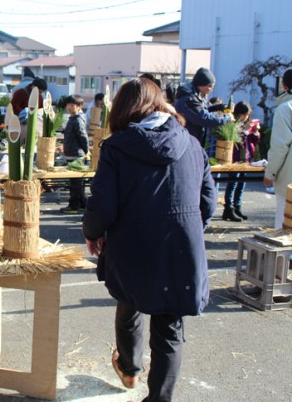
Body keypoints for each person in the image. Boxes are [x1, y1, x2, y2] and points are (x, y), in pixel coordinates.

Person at [82, 77, 217, 402]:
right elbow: (208, 202)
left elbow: (102, 205)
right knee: (169, 329)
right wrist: (189, 232)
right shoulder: (192, 144)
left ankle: (129, 369)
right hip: (180, 252)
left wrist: (92, 233)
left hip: (133, 250)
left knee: (130, 303)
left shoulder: (117, 147)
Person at [174, 67, 233, 147]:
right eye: (210, 86)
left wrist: (220, 107)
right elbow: (204, 117)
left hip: (191, 142)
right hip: (185, 144)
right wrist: (226, 116)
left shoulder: (196, 95)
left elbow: (205, 108)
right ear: (201, 84)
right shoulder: (189, 99)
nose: (211, 89)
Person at [222, 101, 260, 222]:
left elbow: (253, 140)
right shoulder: (233, 124)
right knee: (233, 183)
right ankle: (228, 209)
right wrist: (246, 130)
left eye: (248, 115)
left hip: (246, 157)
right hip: (234, 158)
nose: (246, 117)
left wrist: (255, 132)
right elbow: (237, 139)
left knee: (241, 183)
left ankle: (237, 207)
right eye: (244, 114)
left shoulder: (246, 124)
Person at [264, 68, 292, 228]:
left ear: (284, 85)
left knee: (285, 222)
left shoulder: (285, 109)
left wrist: (270, 173)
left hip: (288, 178)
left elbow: (280, 146)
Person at [60, 94, 89, 214]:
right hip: (72, 153)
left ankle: (74, 205)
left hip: (76, 154)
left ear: (79, 106)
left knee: (75, 182)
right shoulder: (73, 118)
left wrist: (86, 151)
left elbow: (83, 136)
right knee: (77, 181)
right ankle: (82, 203)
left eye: (72, 105)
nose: (69, 107)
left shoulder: (77, 119)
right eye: (68, 105)